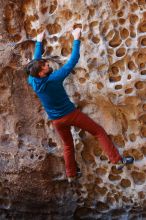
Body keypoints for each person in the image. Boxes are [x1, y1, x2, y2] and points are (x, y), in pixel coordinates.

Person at [25, 28, 134, 183]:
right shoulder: (54, 78)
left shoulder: (33, 81)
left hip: (57, 121)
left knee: (68, 145)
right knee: (98, 132)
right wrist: (76, 38)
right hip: (71, 115)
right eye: (45, 66)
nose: (47, 64)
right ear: (42, 74)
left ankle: (71, 175)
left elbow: (35, 63)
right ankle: (117, 160)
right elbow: (72, 61)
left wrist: (39, 41)